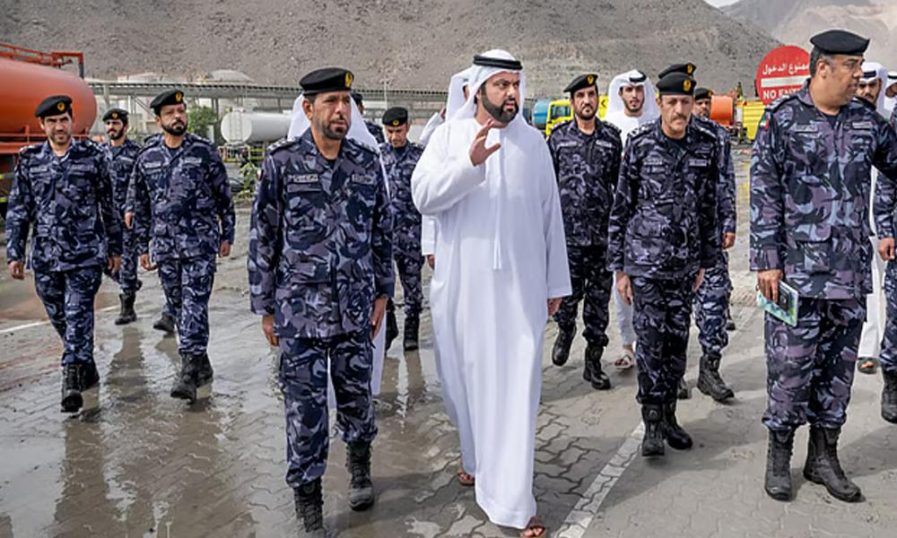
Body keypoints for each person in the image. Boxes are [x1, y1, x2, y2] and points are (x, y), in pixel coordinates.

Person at [412, 50, 569, 537]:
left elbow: (550, 215)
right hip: (464, 291)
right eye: (501, 85)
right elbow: (422, 196)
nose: (511, 94)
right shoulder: (449, 137)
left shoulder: (534, 144)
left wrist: (556, 282)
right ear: (478, 90)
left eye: (515, 85)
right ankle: (476, 457)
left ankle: (513, 502)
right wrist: (469, 165)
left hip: (520, 291)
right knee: (463, 386)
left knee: (516, 392)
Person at [248, 67, 393, 537]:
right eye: (331, 102)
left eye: (345, 102)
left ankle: (360, 468)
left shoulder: (366, 163)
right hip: (299, 313)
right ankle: (308, 503)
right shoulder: (282, 163)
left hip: (355, 308)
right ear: (308, 108)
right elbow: (263, 235)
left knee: (357, 399)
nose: (340, 111)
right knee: (305, 413)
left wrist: (383, 292)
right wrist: (265, 306)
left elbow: (381, 230)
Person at [753, 30, 897, 503]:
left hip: (849, 276)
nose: (860, 75)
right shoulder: (783, 119)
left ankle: (823, 458)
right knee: (789, 369)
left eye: (861, 65)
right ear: (822, 68)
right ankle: (779, 456)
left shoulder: (866, 122)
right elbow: (764, 190)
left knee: (838, 374)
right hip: (795, 277)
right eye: (852, 66)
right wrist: (767, 261)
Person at [608, 67, 719, 458]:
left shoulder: (705, 145)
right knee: (651, 345)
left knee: (676, 344)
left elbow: (708, 208)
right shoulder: (640, 145)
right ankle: (652, 422)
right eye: (672, 102)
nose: (679, 110)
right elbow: (621, 206)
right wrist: (620, 267)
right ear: (659, 103)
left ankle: (670, 415)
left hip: (684, 267)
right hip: (646, 266)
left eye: (685, 102)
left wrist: (706, 260)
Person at [6, 95, 122, 412]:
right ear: (42, 125)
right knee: (61, 317)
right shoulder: (30, 160)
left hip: (85, 255)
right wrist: (15, 252)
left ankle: (71, 379)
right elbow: (19, 210)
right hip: (46, 257)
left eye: (64, 120)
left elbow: (108, 205)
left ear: (72, 122)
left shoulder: (92, 157)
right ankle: (86, 364)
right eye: (52, 122)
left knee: (77, 313)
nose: (59, 126)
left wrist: (115, 247)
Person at [127, 89, 235, 404]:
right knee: (177, 306)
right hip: (165, 246)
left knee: (194, 305)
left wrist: (227, 233)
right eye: (171, 113)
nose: (178, 117)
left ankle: (187, 370)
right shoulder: (147, 157)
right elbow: (141, 204)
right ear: (158, 119)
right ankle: (202, 364)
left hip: (200, 243)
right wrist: (142, 247)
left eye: (181, 111)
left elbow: (223, 195)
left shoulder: (204, 151)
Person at [547, 73, 622, 391]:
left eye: (591, 95)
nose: (587, 101)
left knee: (598, 305)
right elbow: (547, 188)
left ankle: (593, 362)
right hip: (568, 240)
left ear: (598, 99)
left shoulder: (611, 139)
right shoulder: (558, 139)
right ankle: (565, 330)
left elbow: (620, 187)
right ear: (572, 102)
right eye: (581, 96)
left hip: (602, 239)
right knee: (566, 299)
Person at [604, 69, 660, 370]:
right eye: (629, 90)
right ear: (620, 94)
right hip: (622, 213)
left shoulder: (656, 123)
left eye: (639, 90)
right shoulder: (611, 126)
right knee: (622, 281)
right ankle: (627, 344)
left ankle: (651, 343)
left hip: (652, 216)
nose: (634, 96)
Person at [689, 83, 738, 402]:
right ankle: (672, 375)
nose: (701, 107)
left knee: (716, 304)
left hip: (710, 238)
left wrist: (729, 222)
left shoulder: (717, 136)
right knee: (672, 313)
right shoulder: (657, 137)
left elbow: (727, 181)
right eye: (697, 102)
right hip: (672, 242)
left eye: (704, 102)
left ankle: (710, 368)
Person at [856, 62, 891, 375]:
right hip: (857, 220)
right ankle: (868, 349)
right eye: (862, 85)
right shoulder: (849, 124)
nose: (867, 91)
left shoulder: (889, 123)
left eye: (872, 86)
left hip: (888, 221)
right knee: (865, 283)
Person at [380, 107, 426, 351]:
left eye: (398, 131)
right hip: (385, 235)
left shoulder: (420, 156)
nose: (394, 136)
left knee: (412, 284)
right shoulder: (378, 156)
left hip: (411, 233)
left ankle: (411, 327)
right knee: (383, 282)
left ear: (407, 128)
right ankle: (389, 324)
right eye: (390, 131)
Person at [101, 108, 143, 325]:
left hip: (128, 217)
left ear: (125, 127)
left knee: (126, 261)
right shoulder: (100, 152)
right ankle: (130, 282)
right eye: (108, 124)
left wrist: (134, 208)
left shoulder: (136, 152)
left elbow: (140, 184)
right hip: (105, 218)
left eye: (116, 124)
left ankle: (128, 308)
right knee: (102, 259)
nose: (111, 127)